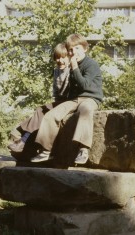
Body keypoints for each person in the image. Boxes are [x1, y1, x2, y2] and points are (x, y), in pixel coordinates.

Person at [30, 33, 103, 164]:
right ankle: (46, 150)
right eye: (70, 49)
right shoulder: (70, 65)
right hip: (74, 99)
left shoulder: (91, 64)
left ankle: (83, 149)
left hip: (91, 98)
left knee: (85, 110)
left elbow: (84, 84)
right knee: (51, 115)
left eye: (77, 48)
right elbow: (62, 89)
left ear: (85, 49)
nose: (73, 52)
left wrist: (74, 67)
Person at [8, 43, 70, 153]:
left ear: (69, 57)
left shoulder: (70, 70)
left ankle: (22, 141)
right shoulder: (56, 71)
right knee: (40, 110)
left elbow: (66, 91)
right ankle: (22, 141)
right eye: (57, 57)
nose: (60, 60)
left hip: (69, 102)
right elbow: (56, 92)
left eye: (63, 57)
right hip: (59, 101)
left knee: (42, 113)